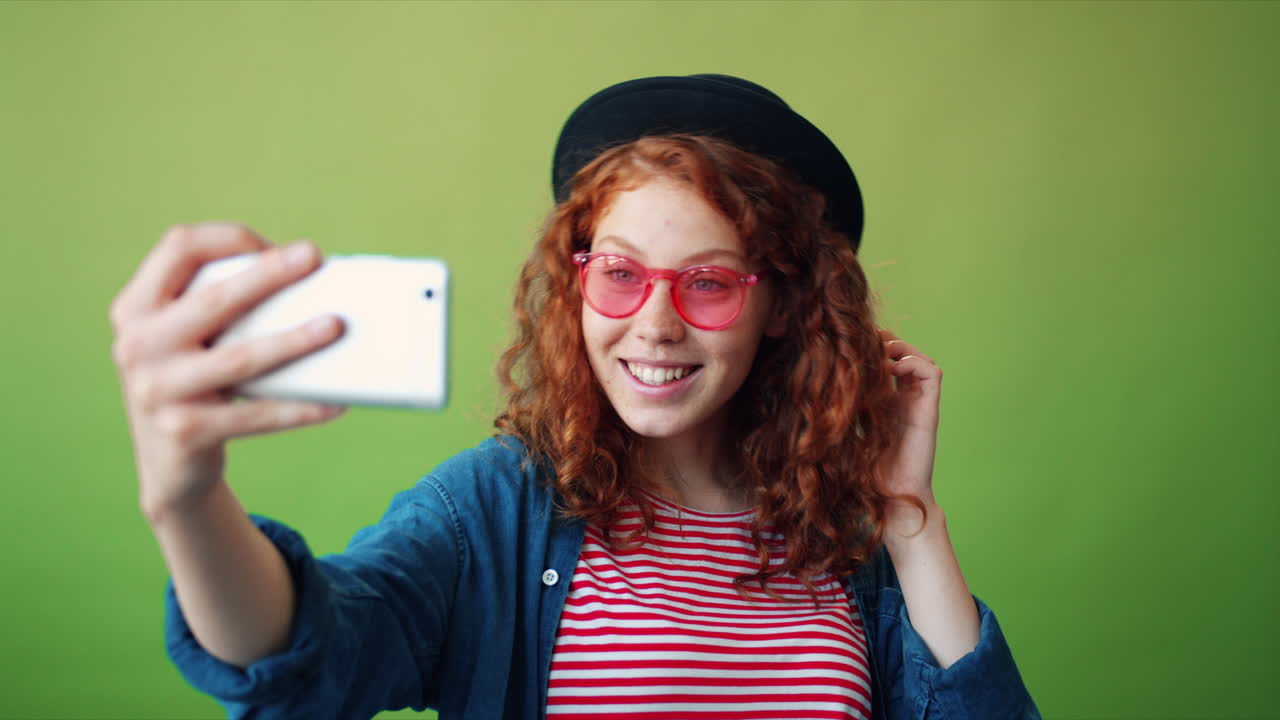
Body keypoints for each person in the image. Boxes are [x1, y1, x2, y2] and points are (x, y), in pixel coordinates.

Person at [111, 74, 1040, 719]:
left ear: (786, 304)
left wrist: (909, 519)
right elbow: (312, 659)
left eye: (709, 283)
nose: (657, 323)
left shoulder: (844, 542)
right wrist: (186, 498)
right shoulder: (500, 509)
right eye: (622, 274)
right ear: (577, 280)